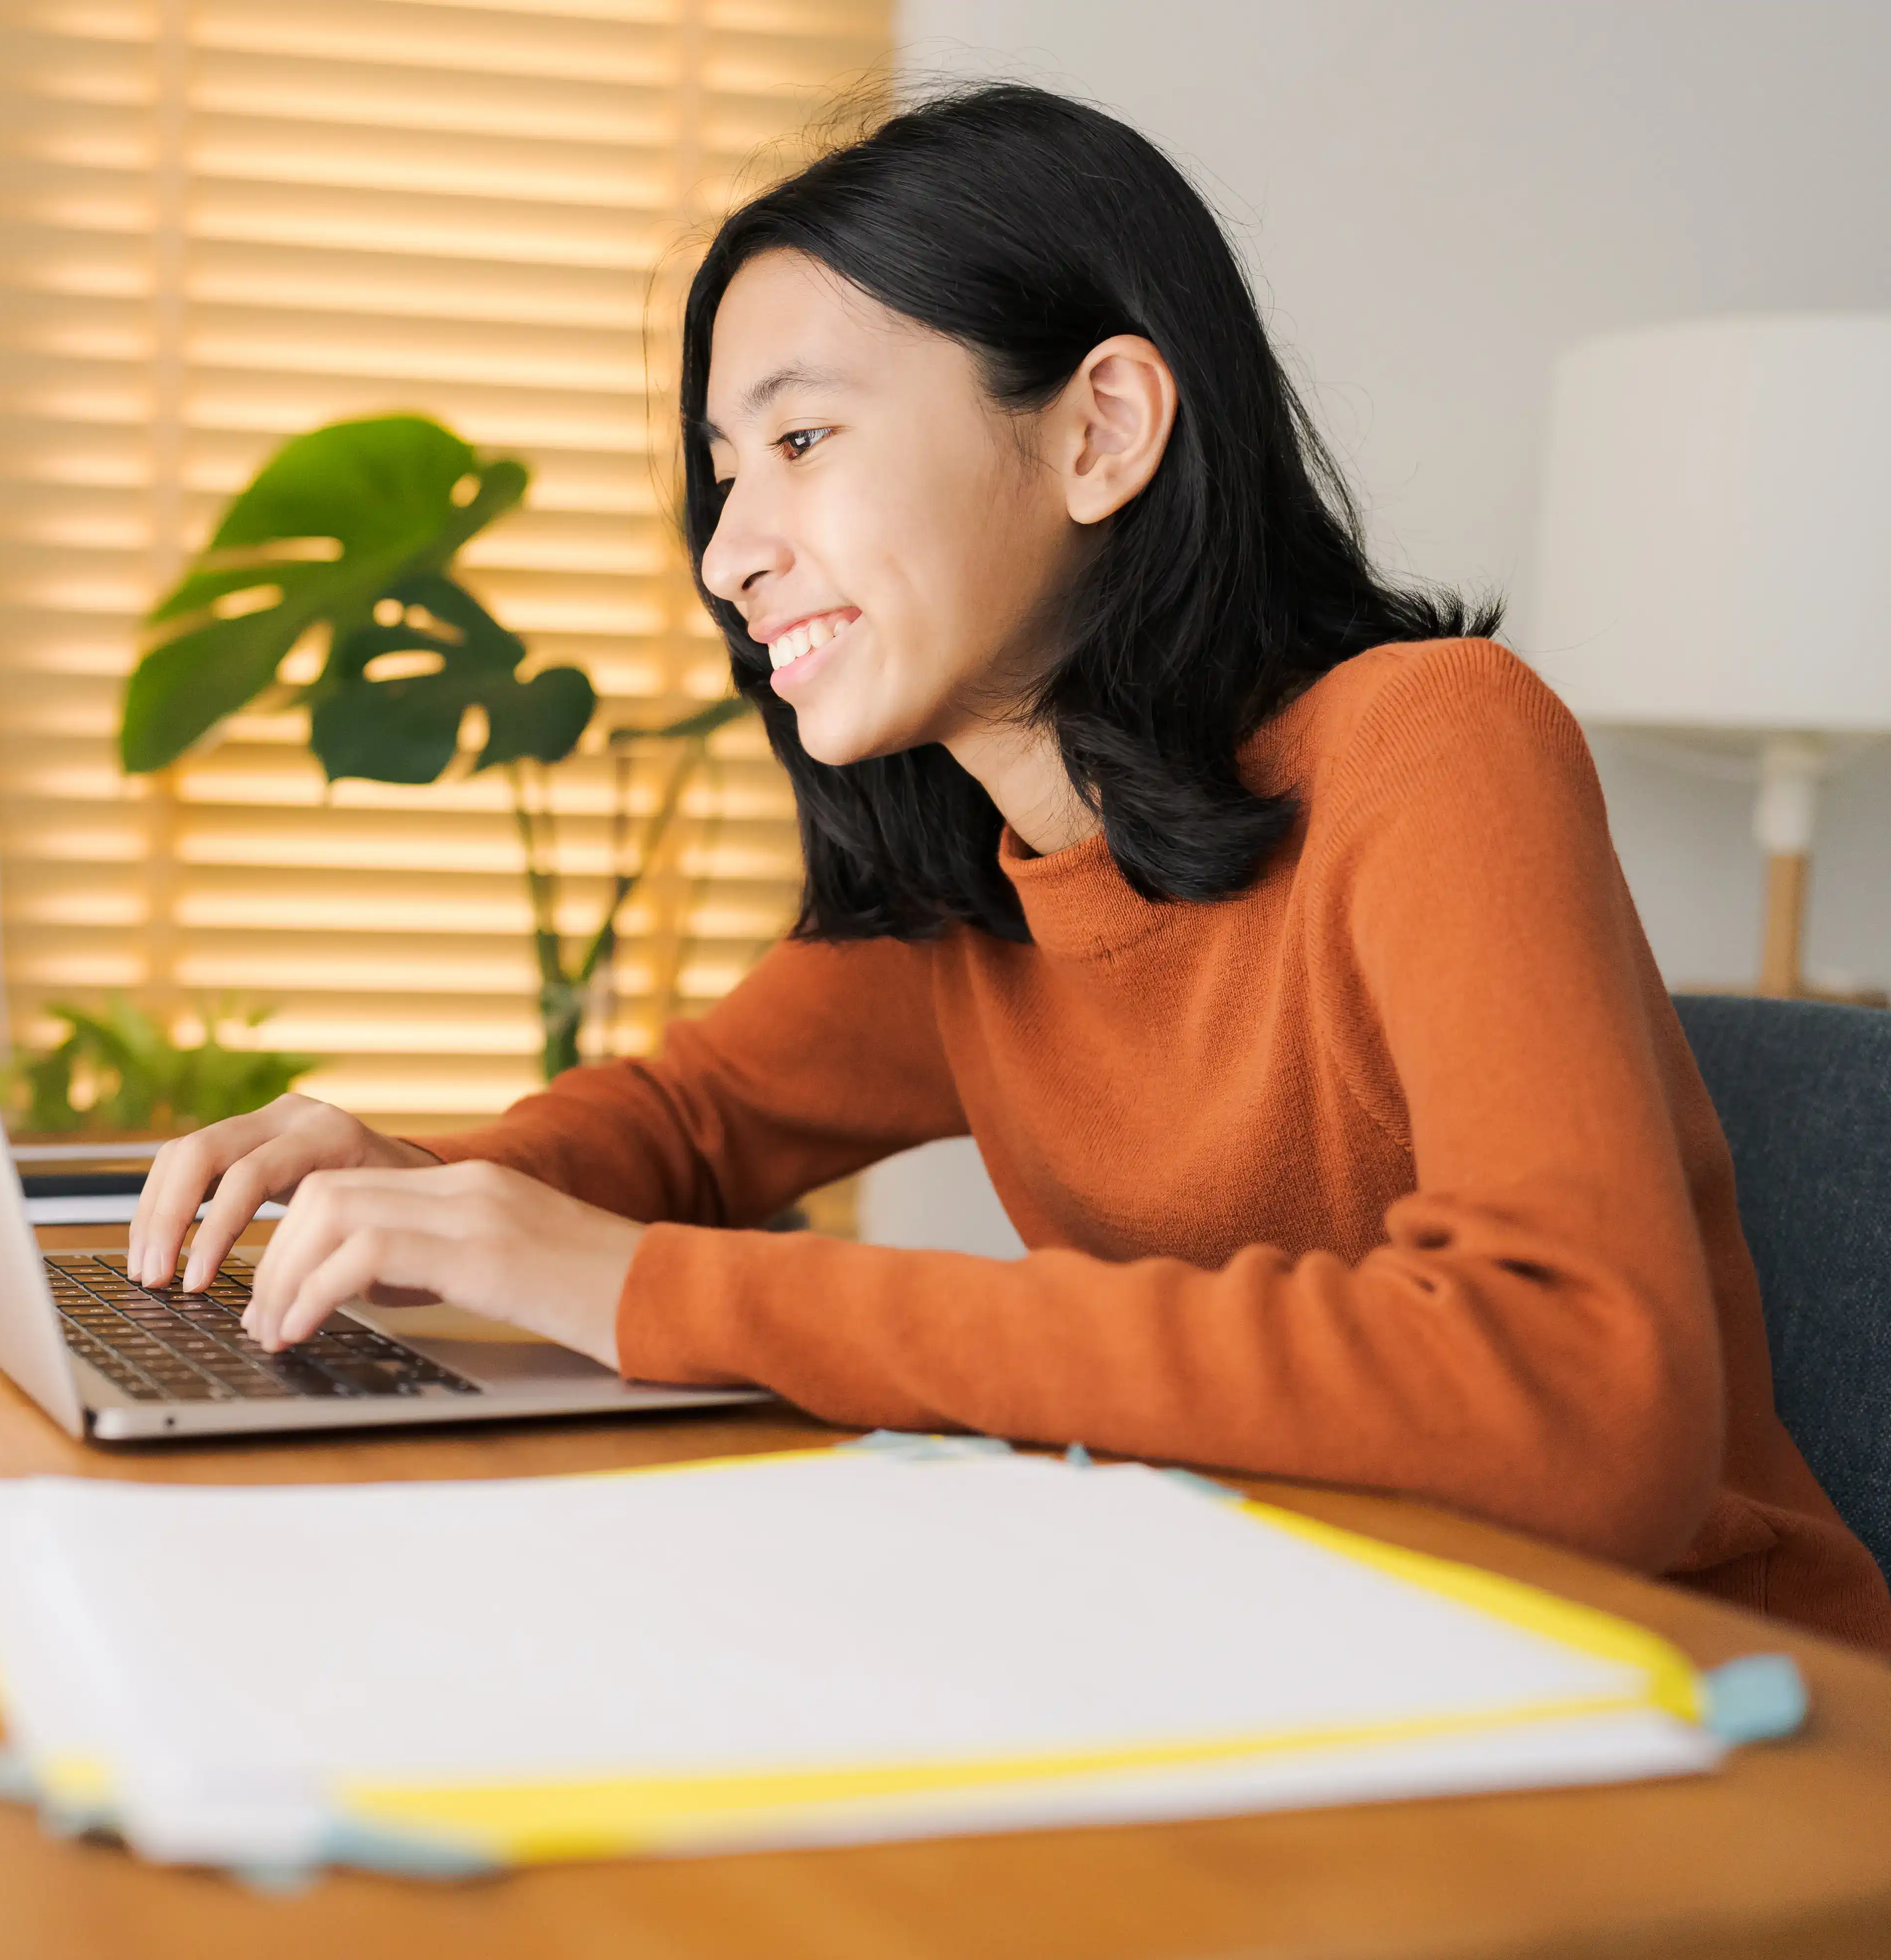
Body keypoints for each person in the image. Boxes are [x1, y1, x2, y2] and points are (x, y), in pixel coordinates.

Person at [123, 83, 1891, 1650]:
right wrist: (421, 1190)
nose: (732, 552)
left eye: (803, 440)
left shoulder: (1434, 744)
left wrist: (648, 1289)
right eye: (721, 475)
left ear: (1101, 430)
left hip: (1693, 1716)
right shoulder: (988, 884)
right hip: (1302, 1658)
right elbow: (681, 1126)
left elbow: (1584, 1403)